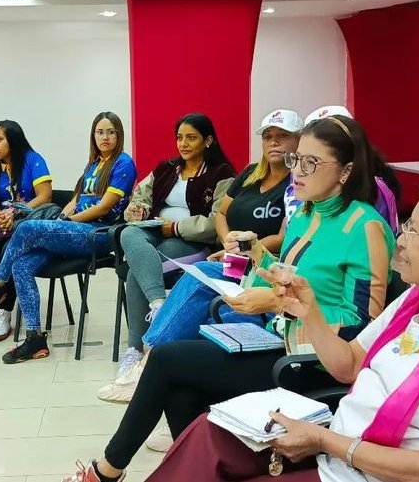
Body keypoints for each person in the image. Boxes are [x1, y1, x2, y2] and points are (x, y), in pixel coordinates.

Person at [140, 171, 419, 482]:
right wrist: (309, 310)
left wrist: (322, 440)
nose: (400, 239)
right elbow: (349, 365)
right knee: (209, 434)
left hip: (363, 469)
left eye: (413, 230)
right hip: (340, 450)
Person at [65, 115, 398, 481]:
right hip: (276, 338)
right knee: (179, 392)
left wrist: (275, 303)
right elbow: (286, 277)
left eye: (310, 162)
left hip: (310, 363)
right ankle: (191, 471)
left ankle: (107, 471)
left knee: (166, 361)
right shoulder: (305, 213)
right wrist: (257, 254)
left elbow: (363, 329)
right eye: (295, 159)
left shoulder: (364, 227)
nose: (296, 171)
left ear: (346, 172)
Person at [96, 109, 303, 405]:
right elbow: (221, 213)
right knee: (135, 243)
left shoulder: (293, 185)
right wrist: (228, 242)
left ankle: (148, 360)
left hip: (256, 260)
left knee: (177, 279)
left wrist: (238, 247)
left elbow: (286, 236)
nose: (274, 142)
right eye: (268, 136)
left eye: (282, 136)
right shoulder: (248, 174)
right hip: (230, 252)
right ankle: (148, 355)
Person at [0, 111, 138, 364]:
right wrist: (60, 220)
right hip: (73, 231)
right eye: (100, 132)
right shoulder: (93, 164)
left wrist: (67, 222)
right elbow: (74, 201)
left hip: (98, 233)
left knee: (26, 228)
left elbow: (102, 208)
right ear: (93, 135)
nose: (105, 137)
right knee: (22, 265)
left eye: (111, 132)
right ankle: (35, 338)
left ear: (119, 135)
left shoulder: (123, 163)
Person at [97, 113, 236, 401]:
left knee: (138, 270)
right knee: (127, 233)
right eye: (179, 137)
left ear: (208, 140)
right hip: (153, 233)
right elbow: (140, 197)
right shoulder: (167, 168)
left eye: (191, 137)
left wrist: (174, 227)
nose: (183, 144)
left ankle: (136, 348)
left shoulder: (222, 174)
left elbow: (215, 222)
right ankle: (158, 305)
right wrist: (135, 211)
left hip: (190, 242)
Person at [0, 120, 53, 343]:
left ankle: (4, 310)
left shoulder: (33, 160)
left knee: (12, 249)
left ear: (13, 141)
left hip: (26, 223)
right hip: (2, 223)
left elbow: (45, 196)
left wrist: (15, 214)